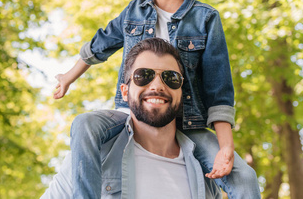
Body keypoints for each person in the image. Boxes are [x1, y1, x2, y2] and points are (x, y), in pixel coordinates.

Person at [54, 0, 260, 198]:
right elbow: (101, 43)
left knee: (246, 179)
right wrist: (68, 76)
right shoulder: (133, 12)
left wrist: (225, 147)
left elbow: (218, 90)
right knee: (84, 125)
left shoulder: (206, 19)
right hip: (131, 113)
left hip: (188, 122)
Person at [43, 38, 222, 199]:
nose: (158, 86)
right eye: (143, 76)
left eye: (171, 78)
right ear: (125, 91)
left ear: (181, 92)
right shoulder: (93, 157)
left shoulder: (206, 172)